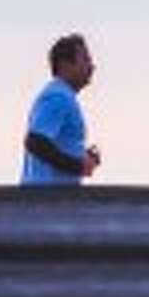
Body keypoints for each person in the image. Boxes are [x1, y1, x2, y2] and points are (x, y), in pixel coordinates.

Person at [21, 33, 100, 185]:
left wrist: (83, 157)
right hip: (47, 200)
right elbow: (35, 142)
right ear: (65, 64)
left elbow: (42, 142)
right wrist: (78, 166)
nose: (92, 66)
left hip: (49, 200)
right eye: (85, 59)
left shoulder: (61, 95)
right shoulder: (58, 97)